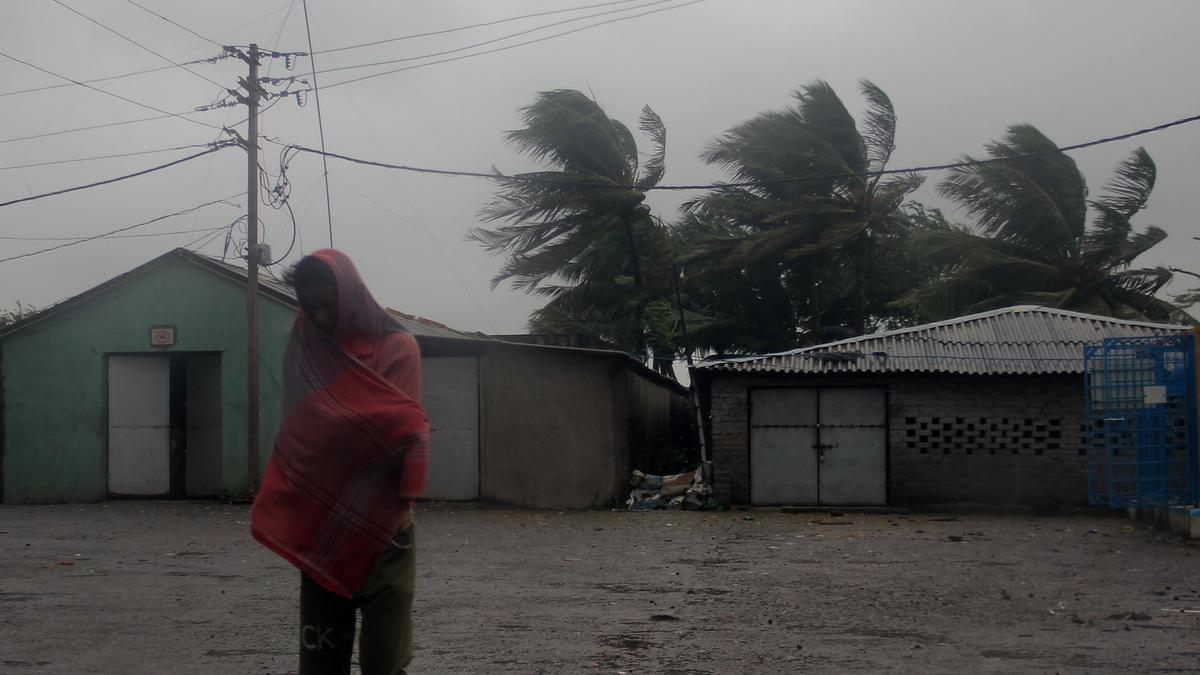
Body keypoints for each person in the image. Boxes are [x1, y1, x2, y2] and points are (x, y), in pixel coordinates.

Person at [250, 249, 428, 675]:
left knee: (385, 661)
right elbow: (299, 429)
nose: (322, 316)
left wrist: (404, 492)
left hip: (386, 525)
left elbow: (400, 429)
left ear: (350, 294)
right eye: (311, 308)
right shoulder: (307, 343)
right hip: (321, 521)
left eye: (330, 305)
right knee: (321, 658)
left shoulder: (397, 346)